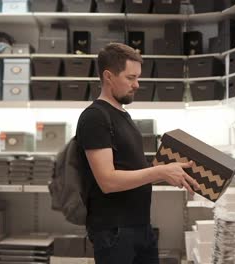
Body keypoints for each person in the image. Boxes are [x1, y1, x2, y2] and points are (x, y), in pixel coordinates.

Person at [76, 43, 200, 264]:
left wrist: (170, 171)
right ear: (108, 76)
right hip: (114, 232)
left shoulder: (123, 116)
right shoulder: (95, 117)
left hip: (139, 226)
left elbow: (134, 171)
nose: (137, 84)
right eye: (130, 77)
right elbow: (108, 181)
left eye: (138, 77)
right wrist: (160, 171)